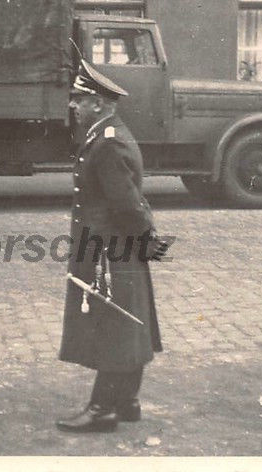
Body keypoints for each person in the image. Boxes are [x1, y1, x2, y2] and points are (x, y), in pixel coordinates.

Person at [56, 59, 169, 433]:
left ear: (99, 104)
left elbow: (125, 204)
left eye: (79, 99)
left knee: (111, 324)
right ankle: (126, 400)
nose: (73, 105)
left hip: (110, 249)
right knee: (126, 320)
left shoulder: (107, 142)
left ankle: (103, 408)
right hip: (117, 246)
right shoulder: (106, 133)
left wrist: (144, 240)